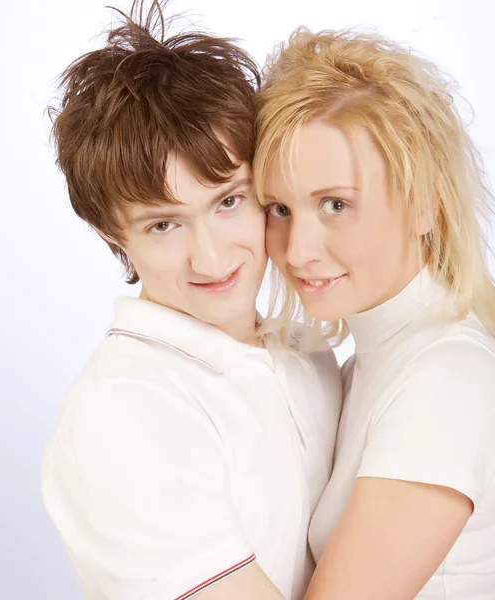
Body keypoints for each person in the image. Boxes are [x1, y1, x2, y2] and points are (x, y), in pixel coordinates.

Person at [41, 5, 341, 600]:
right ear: (112, 235)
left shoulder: (303, 346)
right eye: (163, 226)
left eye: (228, 202)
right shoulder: (122, 412)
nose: (211, 259)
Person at [253, 27, 495, 600]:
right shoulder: (376, 365)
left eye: (336, 205)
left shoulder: (448, 378)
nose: (298, 249)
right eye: (280, 208)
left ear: (426, 203)